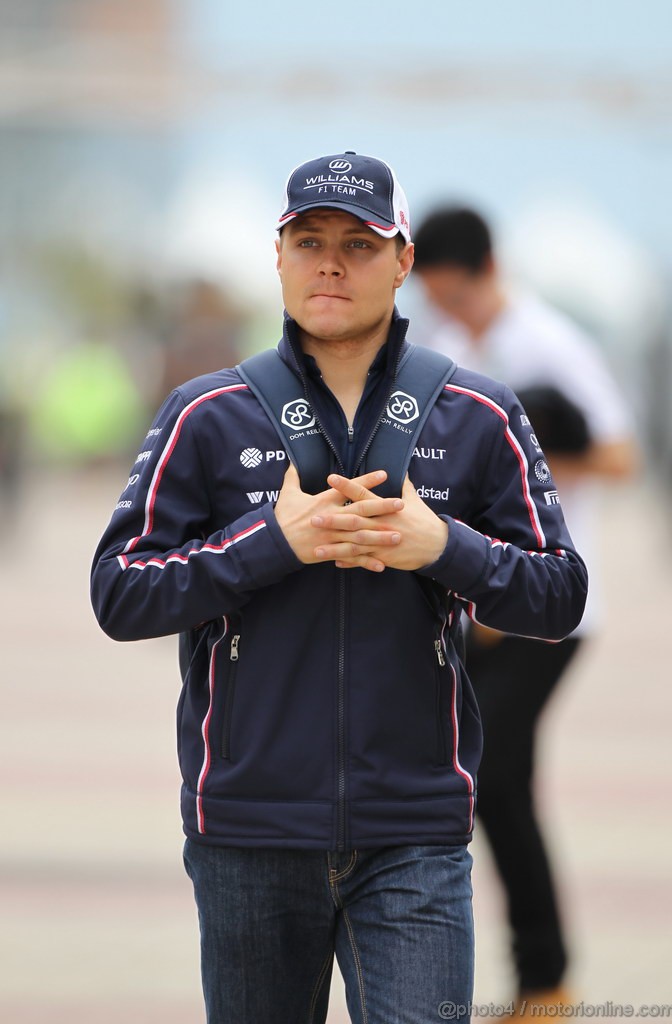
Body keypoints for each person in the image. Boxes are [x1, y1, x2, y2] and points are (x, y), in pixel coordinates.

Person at [90, 153, 588, 1024]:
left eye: (360, 244)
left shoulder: (479, 412)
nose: (331, 263)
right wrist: (269, 544)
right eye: (309, 240)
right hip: (247, 827)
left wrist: (444, 547)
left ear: (402, 264)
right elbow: (119, 594)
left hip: (416, 831)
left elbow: (558, 596)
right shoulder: (205, 414)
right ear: (276, 255)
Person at [412, 206, 637, 1014]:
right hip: (485, 609)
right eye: (436, 298)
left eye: (458, 296)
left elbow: (619, 455)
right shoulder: (460, 348)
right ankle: (535, 978)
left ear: (489, 269)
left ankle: (544, 980)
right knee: (489, 780)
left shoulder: (550, 343)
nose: (451, 312)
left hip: (556, 608)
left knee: (491, 772)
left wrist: (530, 460)